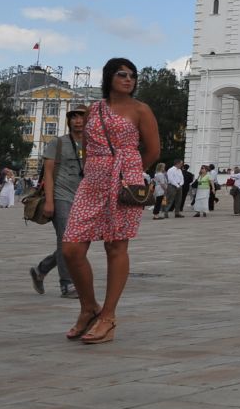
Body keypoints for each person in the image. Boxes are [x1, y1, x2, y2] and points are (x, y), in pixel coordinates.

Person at [61, 57, 160, 346]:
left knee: (116, 246)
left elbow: (153, 151)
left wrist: (128, 171)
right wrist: (99, 166)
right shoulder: (95, 109)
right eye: (122, 74)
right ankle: (88, 307)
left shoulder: (141, 110)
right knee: (71, 248)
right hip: (92, 182)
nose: (128, 79)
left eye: (132, 75)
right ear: (109, 78)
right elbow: (87, 144)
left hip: (123, 181)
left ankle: (108, 316)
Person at [31, 108, 87, 299]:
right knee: (66, 240)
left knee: (76, 244)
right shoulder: (58, 143)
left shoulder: (92, 144)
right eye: (74, 118)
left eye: (82, 117)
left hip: (83, 198)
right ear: (69, 121)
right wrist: (49, 201)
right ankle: (67, 284)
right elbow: (47, 172)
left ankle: (41, 269)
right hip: (60, 196)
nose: (78, 121)